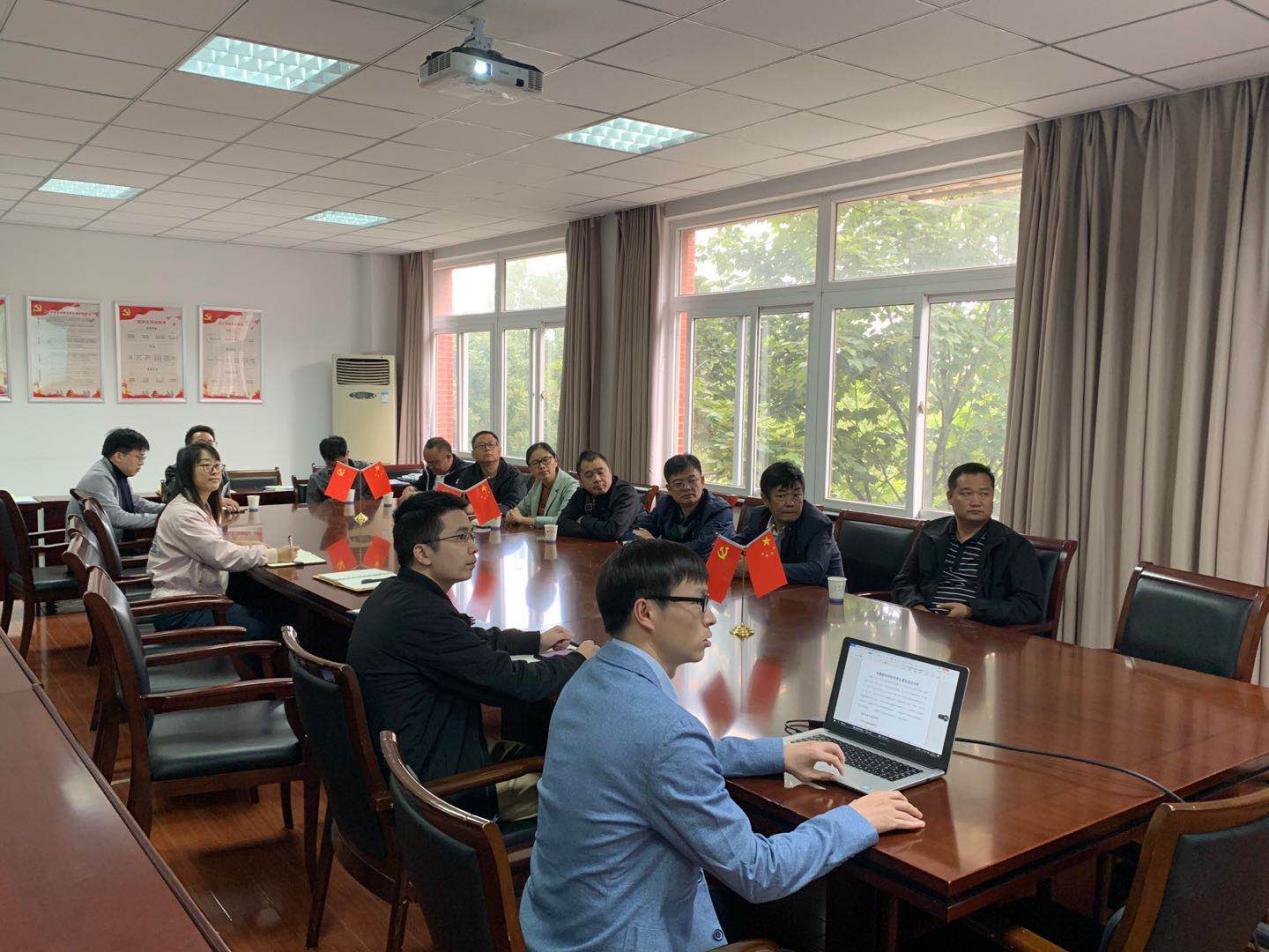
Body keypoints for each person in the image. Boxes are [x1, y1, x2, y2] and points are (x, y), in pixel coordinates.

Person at [519, 540, 925, 951]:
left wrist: (779, 753)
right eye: (699, 602)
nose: (711, 616)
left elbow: (655, 755)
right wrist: (857, 818)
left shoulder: (588, 680)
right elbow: (759, 872)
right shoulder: (666, 734)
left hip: (558, 924)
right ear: (646, 613)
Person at [347, 491, 598, 820]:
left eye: (471, 534)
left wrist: (535, 641)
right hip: (439, 789)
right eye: (461, 537)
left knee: (543, 753)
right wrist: (578, 661)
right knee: (588, 793)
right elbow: (511, 684)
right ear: (422, 553)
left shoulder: (398, 594)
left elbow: (466, 639)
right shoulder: (423, 615)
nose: (473, 547)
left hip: (421, 756)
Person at [146, 443, 298, 641]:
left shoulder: (198, 504)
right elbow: (222, 556)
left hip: (199, 599)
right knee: (270, 626)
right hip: (182, 609)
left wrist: (245, 545)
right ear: (186, 472)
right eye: (206, 465)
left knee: (274, 609)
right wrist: (274, 555)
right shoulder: (184, 513)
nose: (215, 471)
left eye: (218, 465)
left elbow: (211, 544)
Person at [892, 463, 1044, 625]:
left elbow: (1030, 607)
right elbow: (903, 583)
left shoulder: (1013, 545)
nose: (976, 502)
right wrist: (918, 608)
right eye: (967, 494)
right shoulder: (931, 533)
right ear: (950, 497)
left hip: (977, 629)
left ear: (992, 497)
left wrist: (971, 610)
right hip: (924, 623)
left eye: (984, 494)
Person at [735, 461, 842, 586]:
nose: (790, 503)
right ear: (765, 499)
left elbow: (815, 571)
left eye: (796, 495)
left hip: (822, 593)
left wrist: (757, 567)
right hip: (779, 590)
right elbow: (736, 546)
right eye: (781, 496)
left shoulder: (818, 524)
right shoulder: (759, 516)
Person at [68, 428, 166, 539]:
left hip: (105, 543)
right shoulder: (99, 477)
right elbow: (117, 518)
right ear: (118, 456)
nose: (141, 463)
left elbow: (136, 503)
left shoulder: (116, 473)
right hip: (95, 548)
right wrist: (163, 518)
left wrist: (168, 509)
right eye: (139, 457)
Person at [631, 453, 734, 557]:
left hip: (702, 565)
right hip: (670, 563)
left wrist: (657, 545)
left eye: (692, 480)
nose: (687, 487)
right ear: (669, 489)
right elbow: (639, 530)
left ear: (702, 481)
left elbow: (702, 550)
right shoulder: (666, 503)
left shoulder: (720, 511)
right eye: (678, 484)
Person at [557, 450, 642, 541]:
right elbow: (561, 525)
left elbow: (612, 532)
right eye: (589, 475)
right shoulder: (582, 493)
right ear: (581, 481)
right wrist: (600, 532)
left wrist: (584, 520)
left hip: (630, 547)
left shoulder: (626, 493)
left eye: (601, 473)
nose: (597, 479)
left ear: (610, 472)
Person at [449, 430, 527, 515]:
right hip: (473, 520)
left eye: (491, 444)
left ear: (499, 450)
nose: (487, 448)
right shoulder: (468, 473)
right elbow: (459, 500)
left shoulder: (513, 475)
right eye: (481, 445)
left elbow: (514, 506)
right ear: (473, 454)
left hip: (504, 520)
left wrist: (477, 509)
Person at [162, 425, 238, 511]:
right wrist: (217, 501)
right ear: (188, 447)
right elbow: (178, 496)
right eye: (200, 444)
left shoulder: (220, 469)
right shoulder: (175, 470)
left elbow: (226, 496)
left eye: (210, 443)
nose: (206, 447)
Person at [504, 441, 578, 528]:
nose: (542, 466)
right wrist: (511, 514)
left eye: (546, 460)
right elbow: (520, 509)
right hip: (538, 535)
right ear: (530, 469)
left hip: (561, 535)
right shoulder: (538, 482)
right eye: (535, 463)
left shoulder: (571, 485)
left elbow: (561, 520)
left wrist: (523, 520)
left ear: (556, 460)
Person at [308, 435, 369, 500]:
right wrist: (329, 503)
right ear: (324, 459)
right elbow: (312, 505)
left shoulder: (365, 468)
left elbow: (374, 497)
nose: (338, 469)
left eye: (341, 463)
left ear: (347, 453)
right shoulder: (316, 479)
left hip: (363, 506)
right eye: (331, 465)